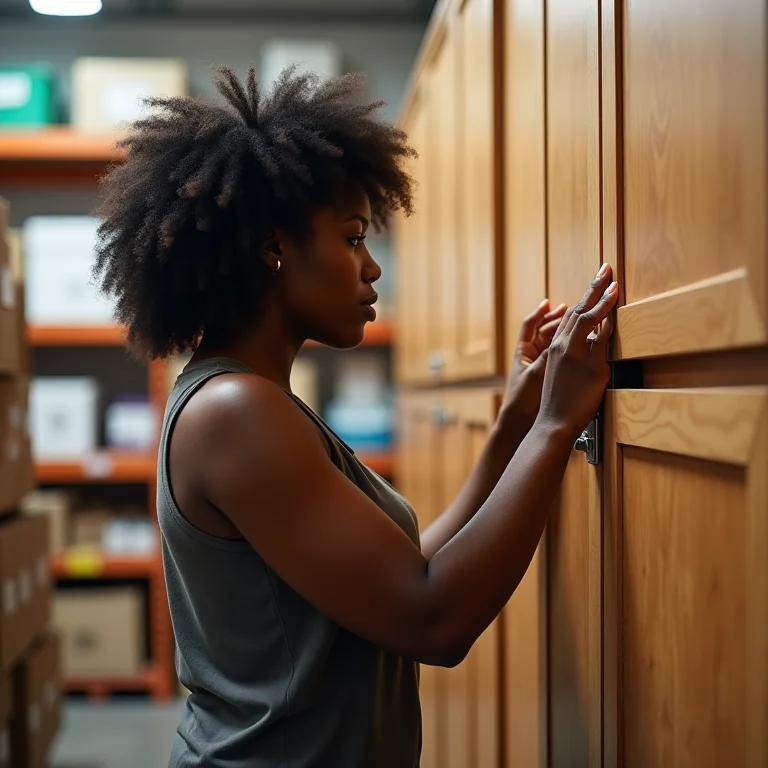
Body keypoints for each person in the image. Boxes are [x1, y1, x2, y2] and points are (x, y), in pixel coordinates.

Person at [93, 66, 619, 768]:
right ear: (274, 247)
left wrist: (518, 421)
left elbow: (411, 569)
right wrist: (558, 425)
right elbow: (433, 621)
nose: (372, 268)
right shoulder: (235, 413)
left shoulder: (258, 403)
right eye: (351, 239)